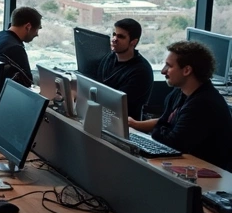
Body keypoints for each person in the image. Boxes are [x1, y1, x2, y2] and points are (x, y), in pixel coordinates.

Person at [128, 41, 232, 169]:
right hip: (185, 163)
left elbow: (172, 144)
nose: (163, 71)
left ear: (187, 70)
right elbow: (164, 123)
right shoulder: (179, 92)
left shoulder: (203, 104)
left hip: (204, 171)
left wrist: (158, 129)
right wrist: (136, 125)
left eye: (169, 66)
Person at [97, 18, 154, 120]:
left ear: (133, 42)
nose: (114, 39)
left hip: (124, 124)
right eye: (114, 34)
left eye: (120, 37)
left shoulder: (141, 71)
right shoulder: (109, 58)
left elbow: (118, 102)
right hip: (102, 114)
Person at [0, 6, 41, 87]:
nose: (37, 34)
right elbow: (28, 83)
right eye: (37, 29)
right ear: (28, 27)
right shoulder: (16, 49)